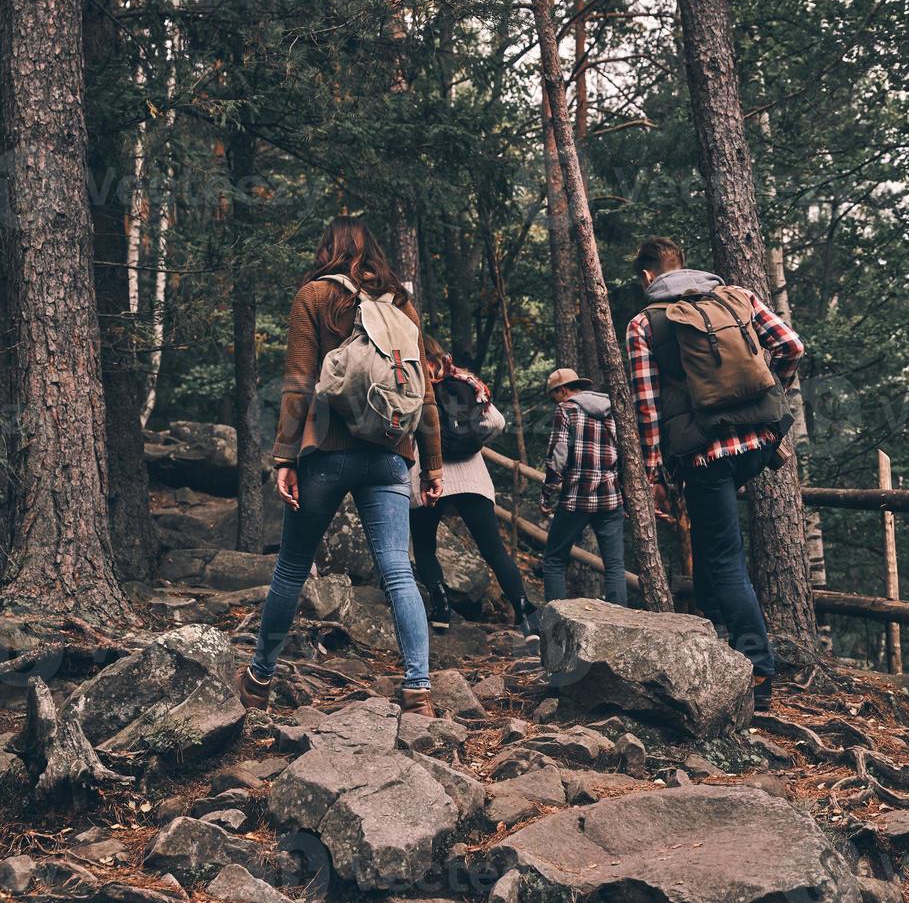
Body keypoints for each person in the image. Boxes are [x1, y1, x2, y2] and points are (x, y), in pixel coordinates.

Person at [236, 216, 444, 717]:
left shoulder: (314, 296)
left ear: (327, 248)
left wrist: (286, 457)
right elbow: (424, 391)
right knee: (398, 569)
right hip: (390, 455)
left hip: (326, 453)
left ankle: (260, 678)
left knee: (291, 566)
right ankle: (419, 687)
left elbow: (298, 382)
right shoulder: (400, 303)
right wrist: (432, 465)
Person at [625, 237, 803, 713]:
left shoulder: (644, 323)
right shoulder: (738, 296)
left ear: (648, 278)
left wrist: (655, 473)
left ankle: (759, 670)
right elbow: (791, 346)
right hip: (759, 441)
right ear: (684, 265)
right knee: (710, 544)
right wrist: (772, 395)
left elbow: (648, 406)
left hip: (704, 453)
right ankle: (717, 639)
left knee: (724, 557)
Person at [409, 337, 538, 634]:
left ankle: (440, 610)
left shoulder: (412, 384)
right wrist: (471, 441)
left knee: (425, 547)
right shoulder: (464, 381)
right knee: (494, 550)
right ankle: (524, 612)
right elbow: (496, 422)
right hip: (471, 476)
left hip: (427, 475)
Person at [540, 368, 628, 608]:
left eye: (554, 395)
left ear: (563, 390)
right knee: (615, 566)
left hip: (576, 498)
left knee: (554, 560)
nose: (554, 400)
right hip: (610, 497)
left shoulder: (566, 409)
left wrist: (547, 493)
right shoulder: (612, 409)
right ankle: (621, 625)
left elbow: (558, 456)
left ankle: (557, 624)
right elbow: (625, 454)